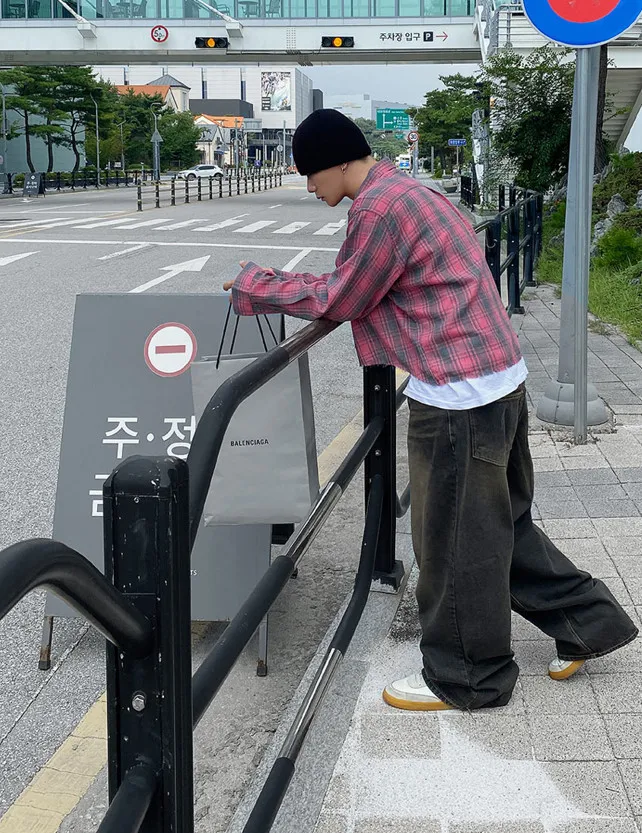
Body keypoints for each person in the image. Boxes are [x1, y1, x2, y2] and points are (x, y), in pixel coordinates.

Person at [223, 109, 638, 712]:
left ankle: (470, 677)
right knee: (503, 524)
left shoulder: (378, 210)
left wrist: (256, 286)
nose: (309, 185)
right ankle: (588, 623)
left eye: (311, 173)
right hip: (499, 378)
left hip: (457, 395)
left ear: (341, 161)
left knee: (453, 540)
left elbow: (344, 295)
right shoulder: (412, 192)